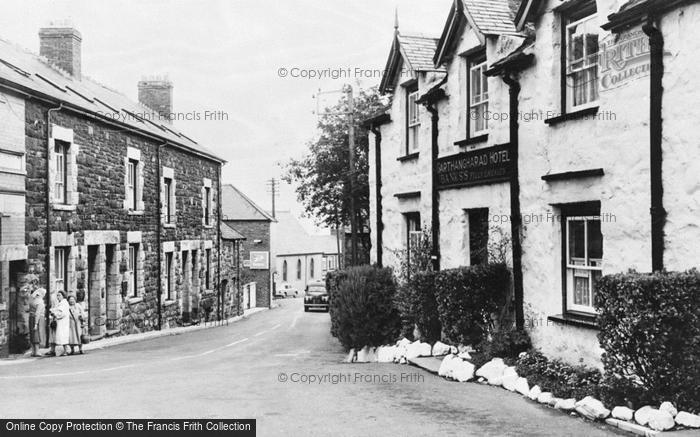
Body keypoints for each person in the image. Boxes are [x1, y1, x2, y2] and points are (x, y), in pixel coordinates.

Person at [50, 291, 70, 357]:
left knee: (63, 335)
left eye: (59, 295)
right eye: (57, 295)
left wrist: (55, 314)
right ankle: (60, 350)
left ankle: (66, 350)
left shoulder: (64, 303)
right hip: (60, 322)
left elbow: (62, 313)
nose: (58, 297)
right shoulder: (60, 303)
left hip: (63, 322)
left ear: (63, 296)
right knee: (61, 335)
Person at [28, 288, 47, 357]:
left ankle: (33, 351)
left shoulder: (32, 301)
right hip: (38, 319)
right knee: (37, 334)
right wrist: (36, 323)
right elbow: (38, 313)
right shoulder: (40, 302)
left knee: (33, 334)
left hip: (31, 318)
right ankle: (37, 351)